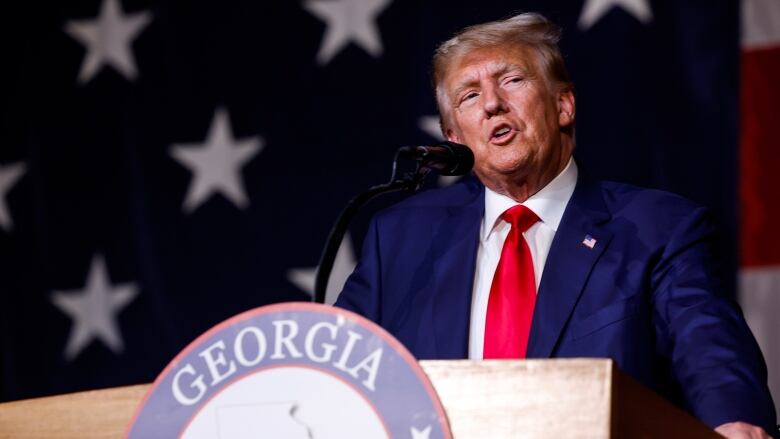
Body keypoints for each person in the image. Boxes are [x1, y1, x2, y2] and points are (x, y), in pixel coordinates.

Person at [335, 12, 776, 438]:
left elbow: (709, 350)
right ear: (453, 136)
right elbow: (337, 364)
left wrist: (734, 421)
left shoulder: (658, 228)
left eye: (512, 80)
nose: (492, 103)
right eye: (469, 95)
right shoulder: (400, 237)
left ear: (563, 105)